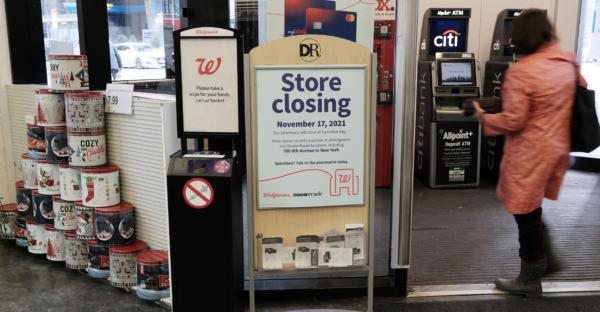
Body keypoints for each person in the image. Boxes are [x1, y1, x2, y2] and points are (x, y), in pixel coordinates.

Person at [472, 9, 587, 296]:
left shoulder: (522, 71)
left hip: (529, 153)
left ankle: (530, 277)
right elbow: (577, 91)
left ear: (519, 36)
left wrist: (483, 116)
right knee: (532, 209)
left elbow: (515, 120)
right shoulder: (567, 61)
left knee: (525, 213)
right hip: (557, 147)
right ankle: (547, 260)